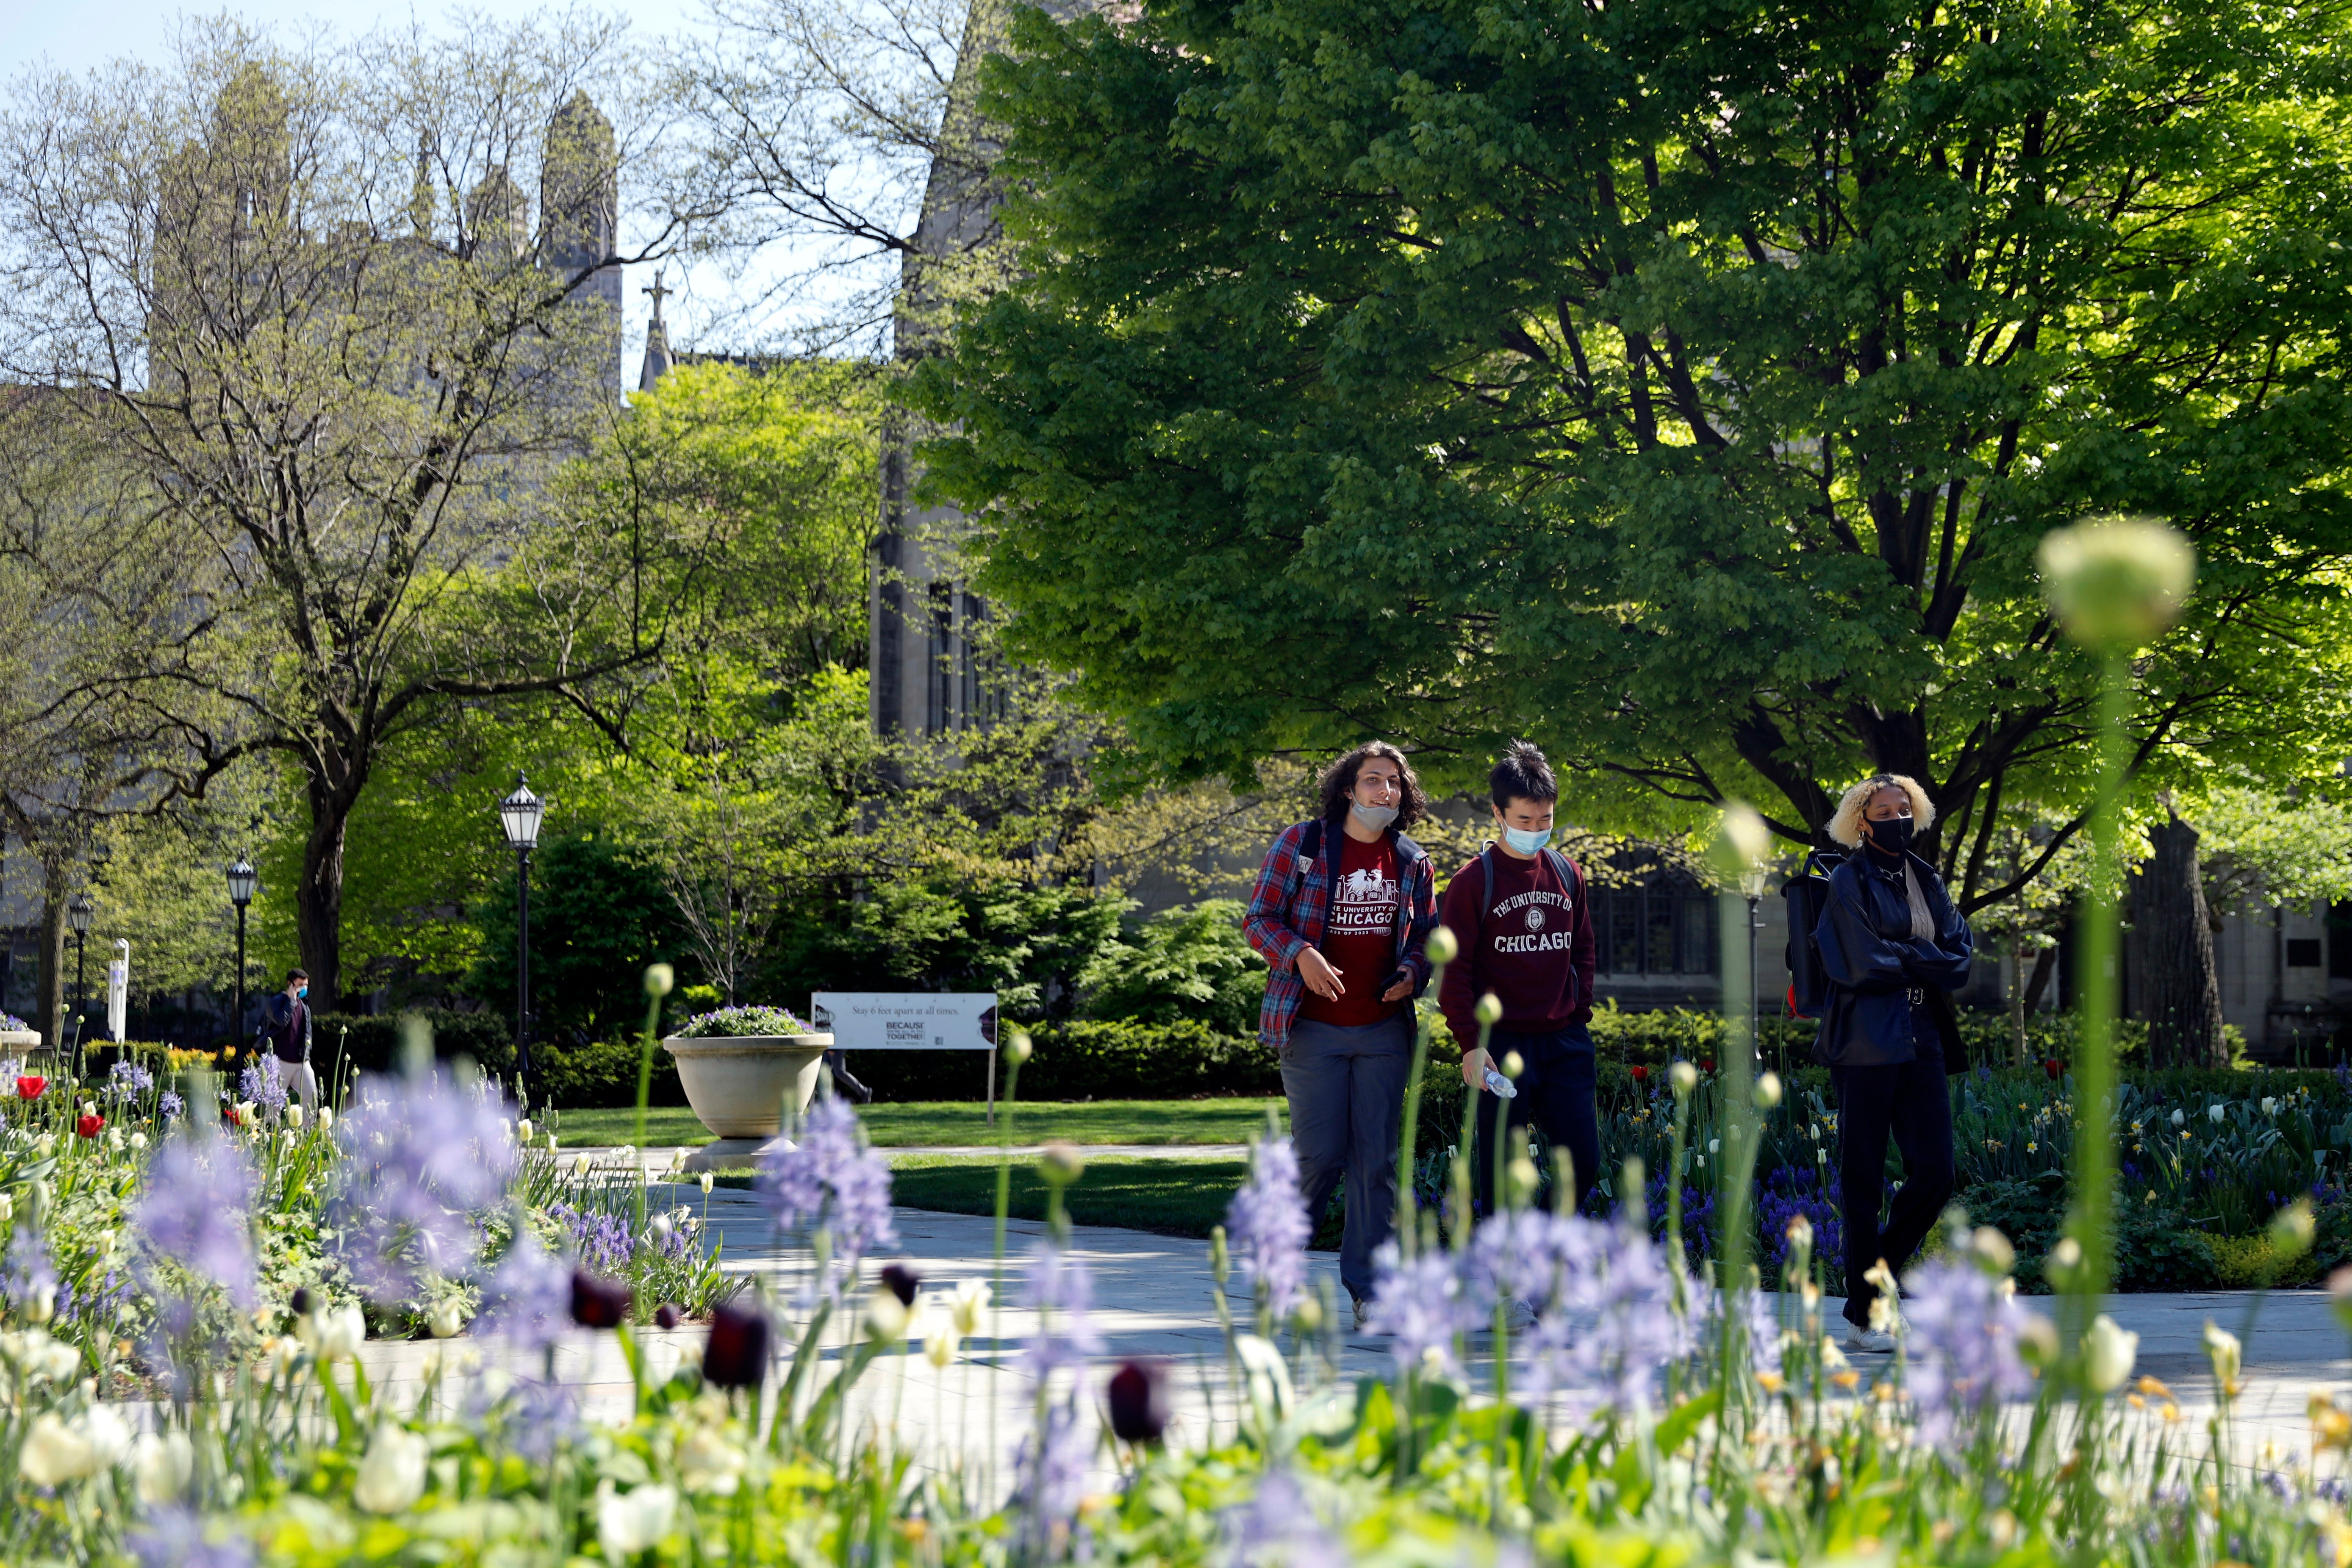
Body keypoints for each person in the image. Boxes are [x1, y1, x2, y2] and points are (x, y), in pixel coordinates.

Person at [1243, 741, 1439, 1327]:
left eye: (1395, 783)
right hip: (1313, 1028)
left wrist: (1412, 973)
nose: (1386, 791)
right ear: (1348, 789)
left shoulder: (1412, 861)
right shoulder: (1302, 845)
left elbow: (1425, 938)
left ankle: (1369, 1290)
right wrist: (1299, 953)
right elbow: (1258, 920)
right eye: (1374, 780)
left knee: (1374, 1161)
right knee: (1320, 1153)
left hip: (1383, 1030)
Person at [1814, 772, 1973, 1353]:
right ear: (1863, 819)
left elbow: (1961, 959)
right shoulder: (1846, 882)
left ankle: (1867, 1293)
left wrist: (1908, 957)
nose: (1896, 816)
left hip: (1921, 1034)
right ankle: (1869, 1315)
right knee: (1862, 1179)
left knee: (1936, 1173)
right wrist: (1923, 956)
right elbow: (1861, 964)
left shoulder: (1925, 877)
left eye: (1903, 806)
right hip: (1864, 1042)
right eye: (1883, 809)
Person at [1440, 741, 1601, 1252]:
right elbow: (1453, 971)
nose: (1535, 829)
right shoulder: (1471, 882)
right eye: (1524, 819)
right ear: (1498, 813)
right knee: (1502, 1174)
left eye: (1545, 818)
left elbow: (1584, 948)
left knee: (1583, 1163)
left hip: (1563, 1041)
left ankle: (1539, 1261)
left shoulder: (1566, 873)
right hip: (1499, 1047)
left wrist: (1577, 1015)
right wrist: (1469, 1041)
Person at [259, 967, 320, 1113]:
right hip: (280, 1062)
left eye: (306, 985)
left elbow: (308, 1032)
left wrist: (307, 1053)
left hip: (302, 1062)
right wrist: (292, 1001)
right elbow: (281, 1021)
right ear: (290, 984)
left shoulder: (305, 1006)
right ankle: (272, 1133)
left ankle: (308, 1132)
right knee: (273, 1104)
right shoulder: (277, 1001)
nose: (304, 988)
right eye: (300, 985)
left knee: (312, 1097)